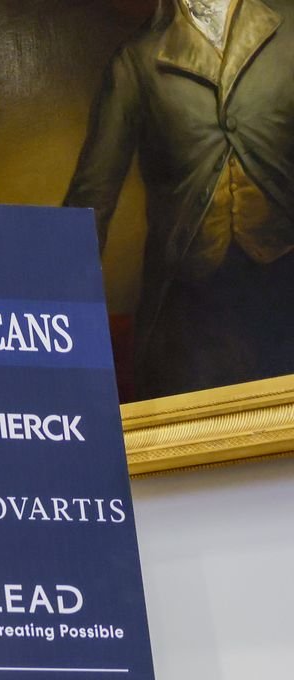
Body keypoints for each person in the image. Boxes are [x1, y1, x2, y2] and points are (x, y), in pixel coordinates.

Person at [63, 0, 294, 400]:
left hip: (284, 287)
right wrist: (53, 318)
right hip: (191, 307)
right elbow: (91, 199)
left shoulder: (288, 29)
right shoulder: (136, 62)